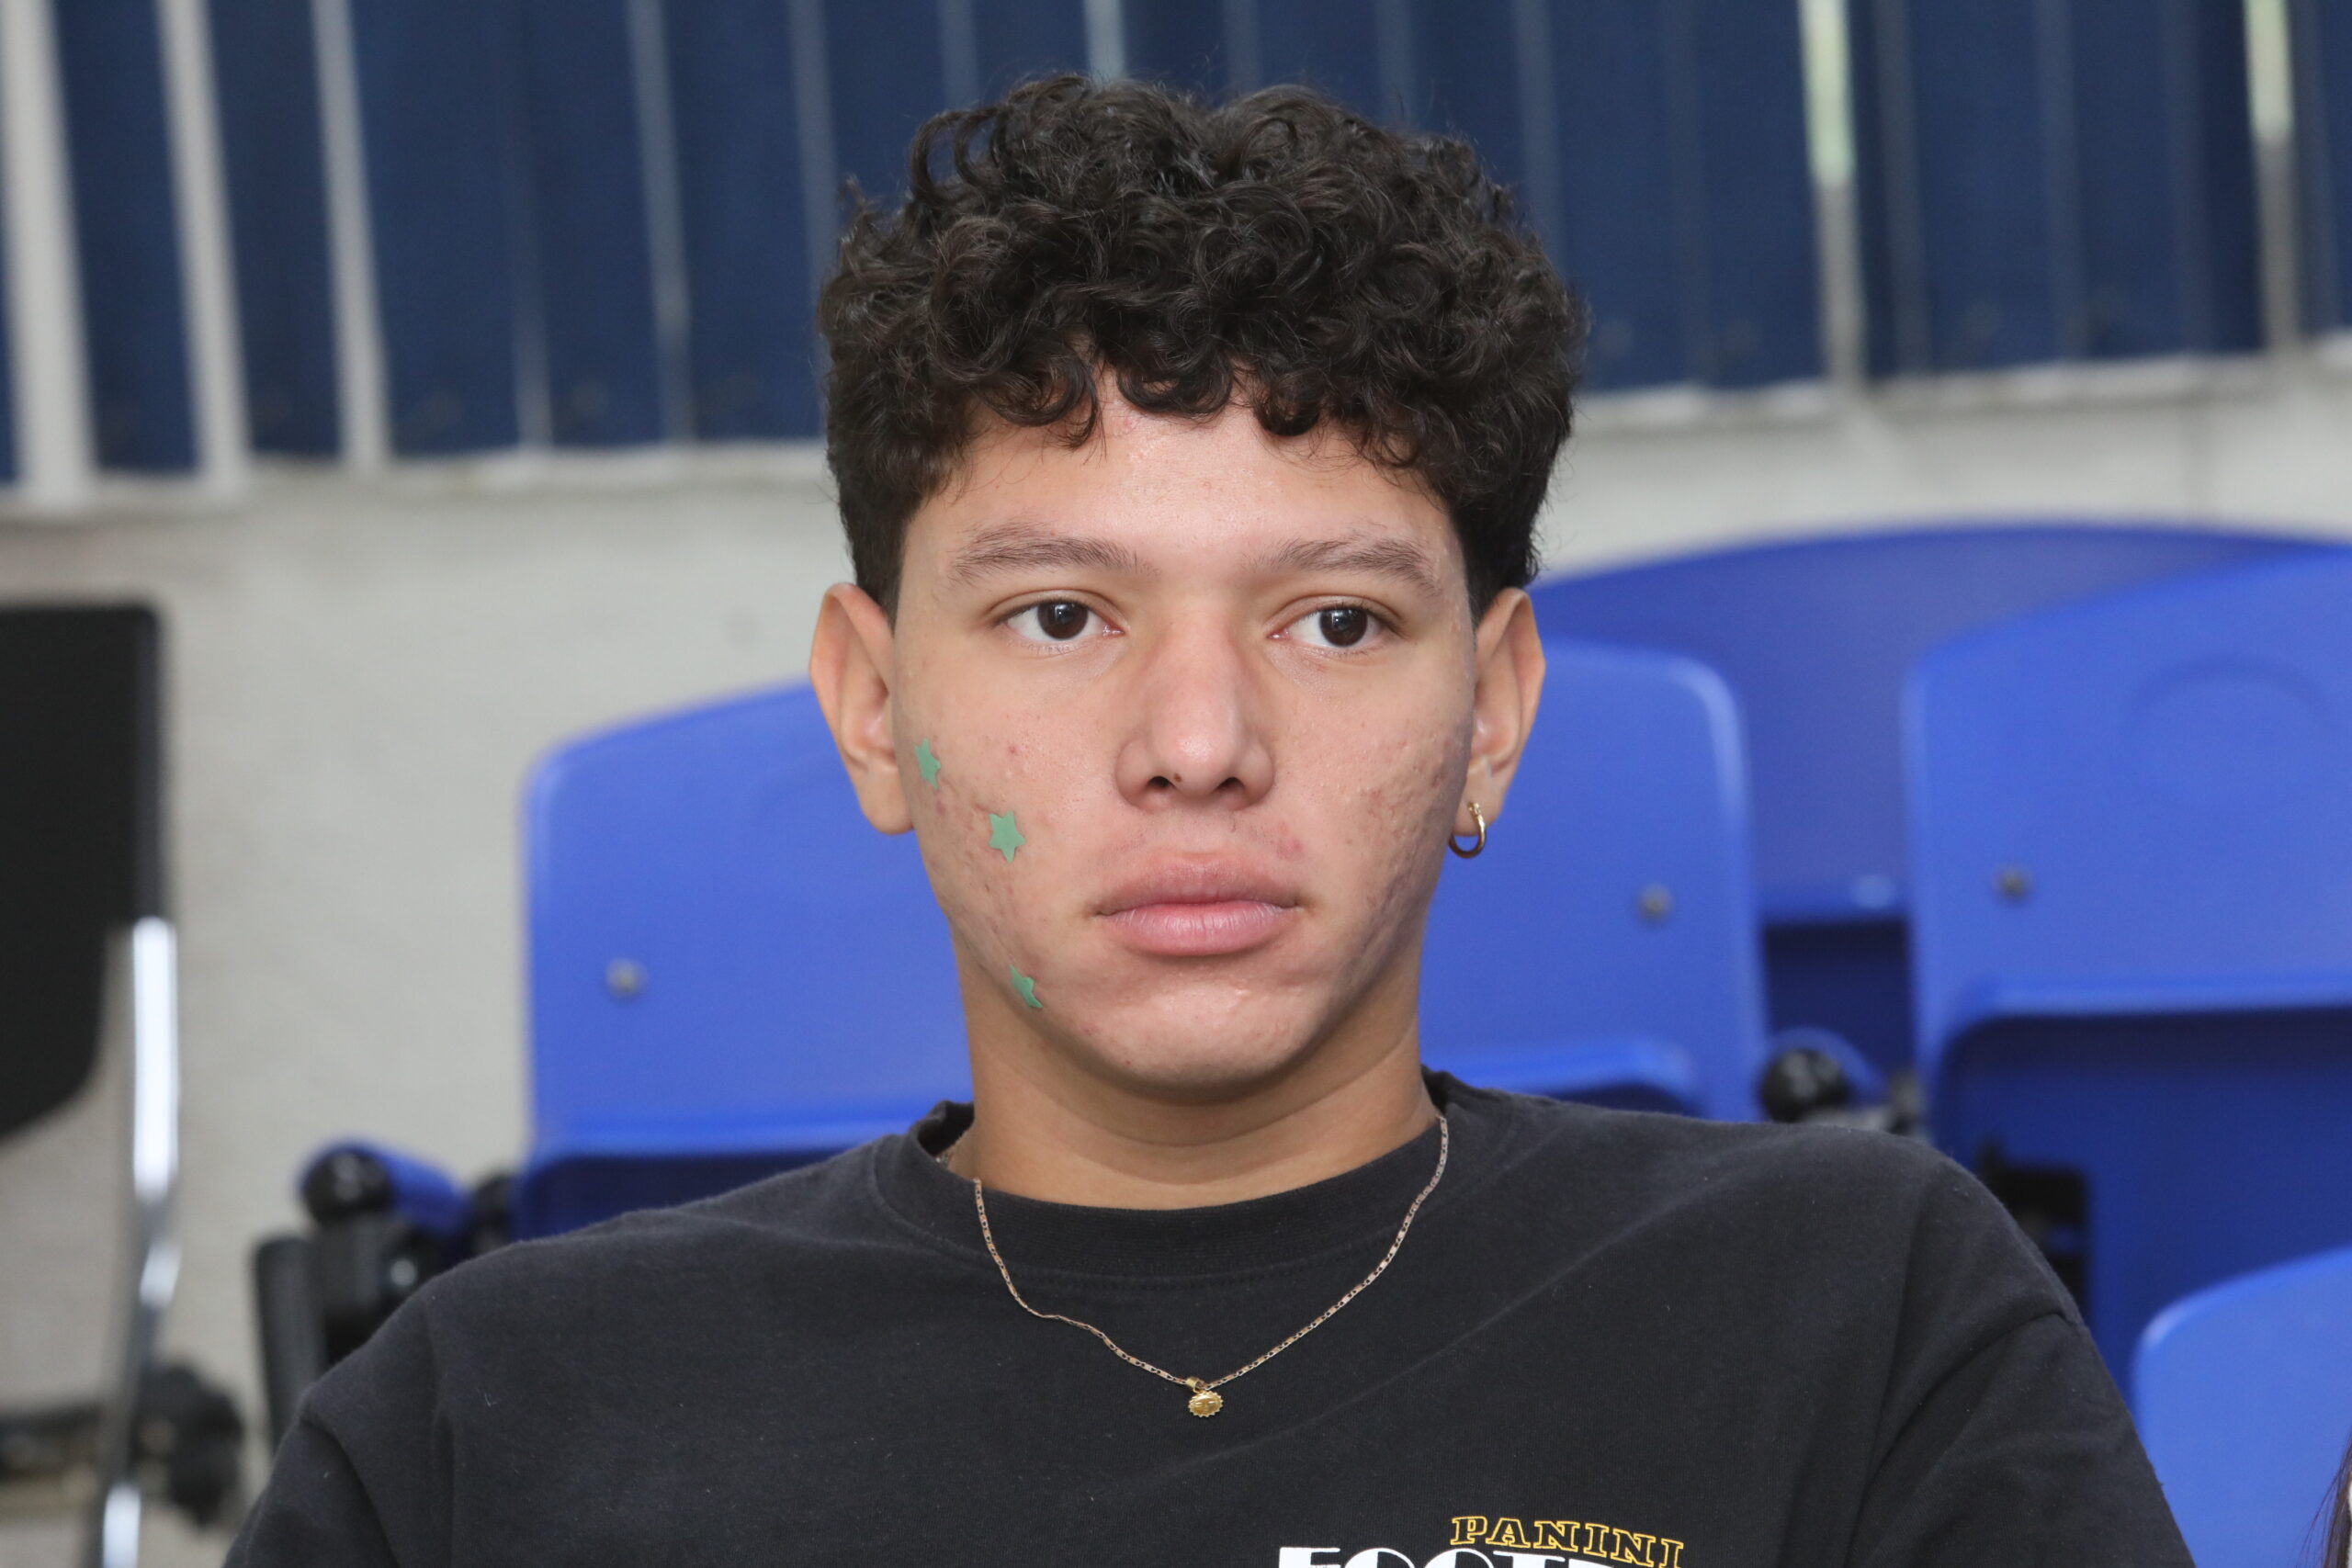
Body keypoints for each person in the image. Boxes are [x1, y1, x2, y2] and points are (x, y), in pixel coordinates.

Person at [227, 76, 2190, 1567]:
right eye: (1058, 616)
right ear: (874, 706)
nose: (1196, 743)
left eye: (1333, 621)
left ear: (1495, 710)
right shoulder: (494, 1417)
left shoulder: (1854, 1308)